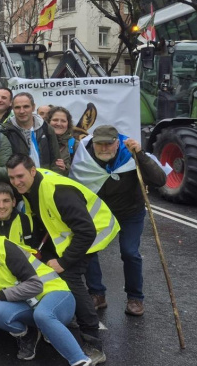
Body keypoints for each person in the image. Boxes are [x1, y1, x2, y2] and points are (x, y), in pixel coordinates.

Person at [7, 154, 118, 361]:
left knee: (70, 278)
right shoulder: (29, 186)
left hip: (93, 232)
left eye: (20, 176)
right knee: (51, 270)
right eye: (12, 178)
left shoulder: (58, 191)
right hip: (69, 233)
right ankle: (64, 316)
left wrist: (63, 262)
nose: (16, 182)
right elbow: (41, 218)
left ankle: (93, 345)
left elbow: (86, 232)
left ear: (33, 171)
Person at [0, 216, 91, 365]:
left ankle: (80, 360)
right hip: (30, 306)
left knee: (43, 314)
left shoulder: (1, 246)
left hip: (56, 295)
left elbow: (36, 285)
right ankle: (29, 333)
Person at [70, 125, 166, 317]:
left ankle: (135, 297)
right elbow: (75, 180)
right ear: (94, 144)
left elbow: (159, 180)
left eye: (109, 144)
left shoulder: (129, 154)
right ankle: (97, 294)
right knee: (89, 249)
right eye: (100, 144)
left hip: (130, 212)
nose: (104, 148)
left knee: (130, 253)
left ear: (117, 142)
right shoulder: (84, 157)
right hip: (99, 213)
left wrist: (140, 155)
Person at [5, 93, 64, 174]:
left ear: (33, 107)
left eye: (26, 106)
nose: (22, 111)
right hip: (19, 182)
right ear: (12, 109)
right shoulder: (6, 130)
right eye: (17, 107)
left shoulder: (46, 128)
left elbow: (56, 161)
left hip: (45, 180)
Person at [48, 106, 79, 174]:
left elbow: (81, 172)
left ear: (68, 124)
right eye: (55, 120)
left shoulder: (75, 145)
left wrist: (66, 168)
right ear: (48, 122)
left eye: (63, 121)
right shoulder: (39, 141)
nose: (59, 124)